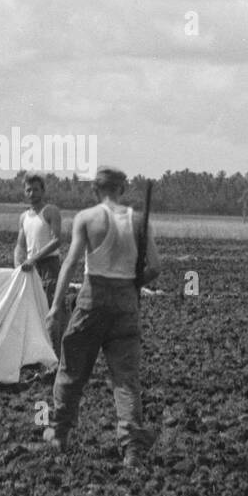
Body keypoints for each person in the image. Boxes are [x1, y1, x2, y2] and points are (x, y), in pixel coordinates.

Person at [43, 166, 161, 468]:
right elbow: (156, 268)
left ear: (96, 190)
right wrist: (133, 285)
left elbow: (70, 263)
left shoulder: (87, 218)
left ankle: (59, 433)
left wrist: (56, 308)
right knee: (125, 379)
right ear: (122, 189)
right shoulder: (138, 221)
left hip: (92, 298)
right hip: (126, 303)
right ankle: (132, 448)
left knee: (72, 369)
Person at [14, 173, 64, 353]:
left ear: (43, 191)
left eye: (36, 189)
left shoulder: (50, 211)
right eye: (28, 190)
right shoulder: (23, 217)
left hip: (49, 266)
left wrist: (33, 259)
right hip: (30, 268)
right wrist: (18, 265)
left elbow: (57, 240)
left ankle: (55, 358)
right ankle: (40, 356)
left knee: (51, 311)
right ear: (24, 192)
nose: (32, 193)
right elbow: (20, 245)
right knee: (34, 312)